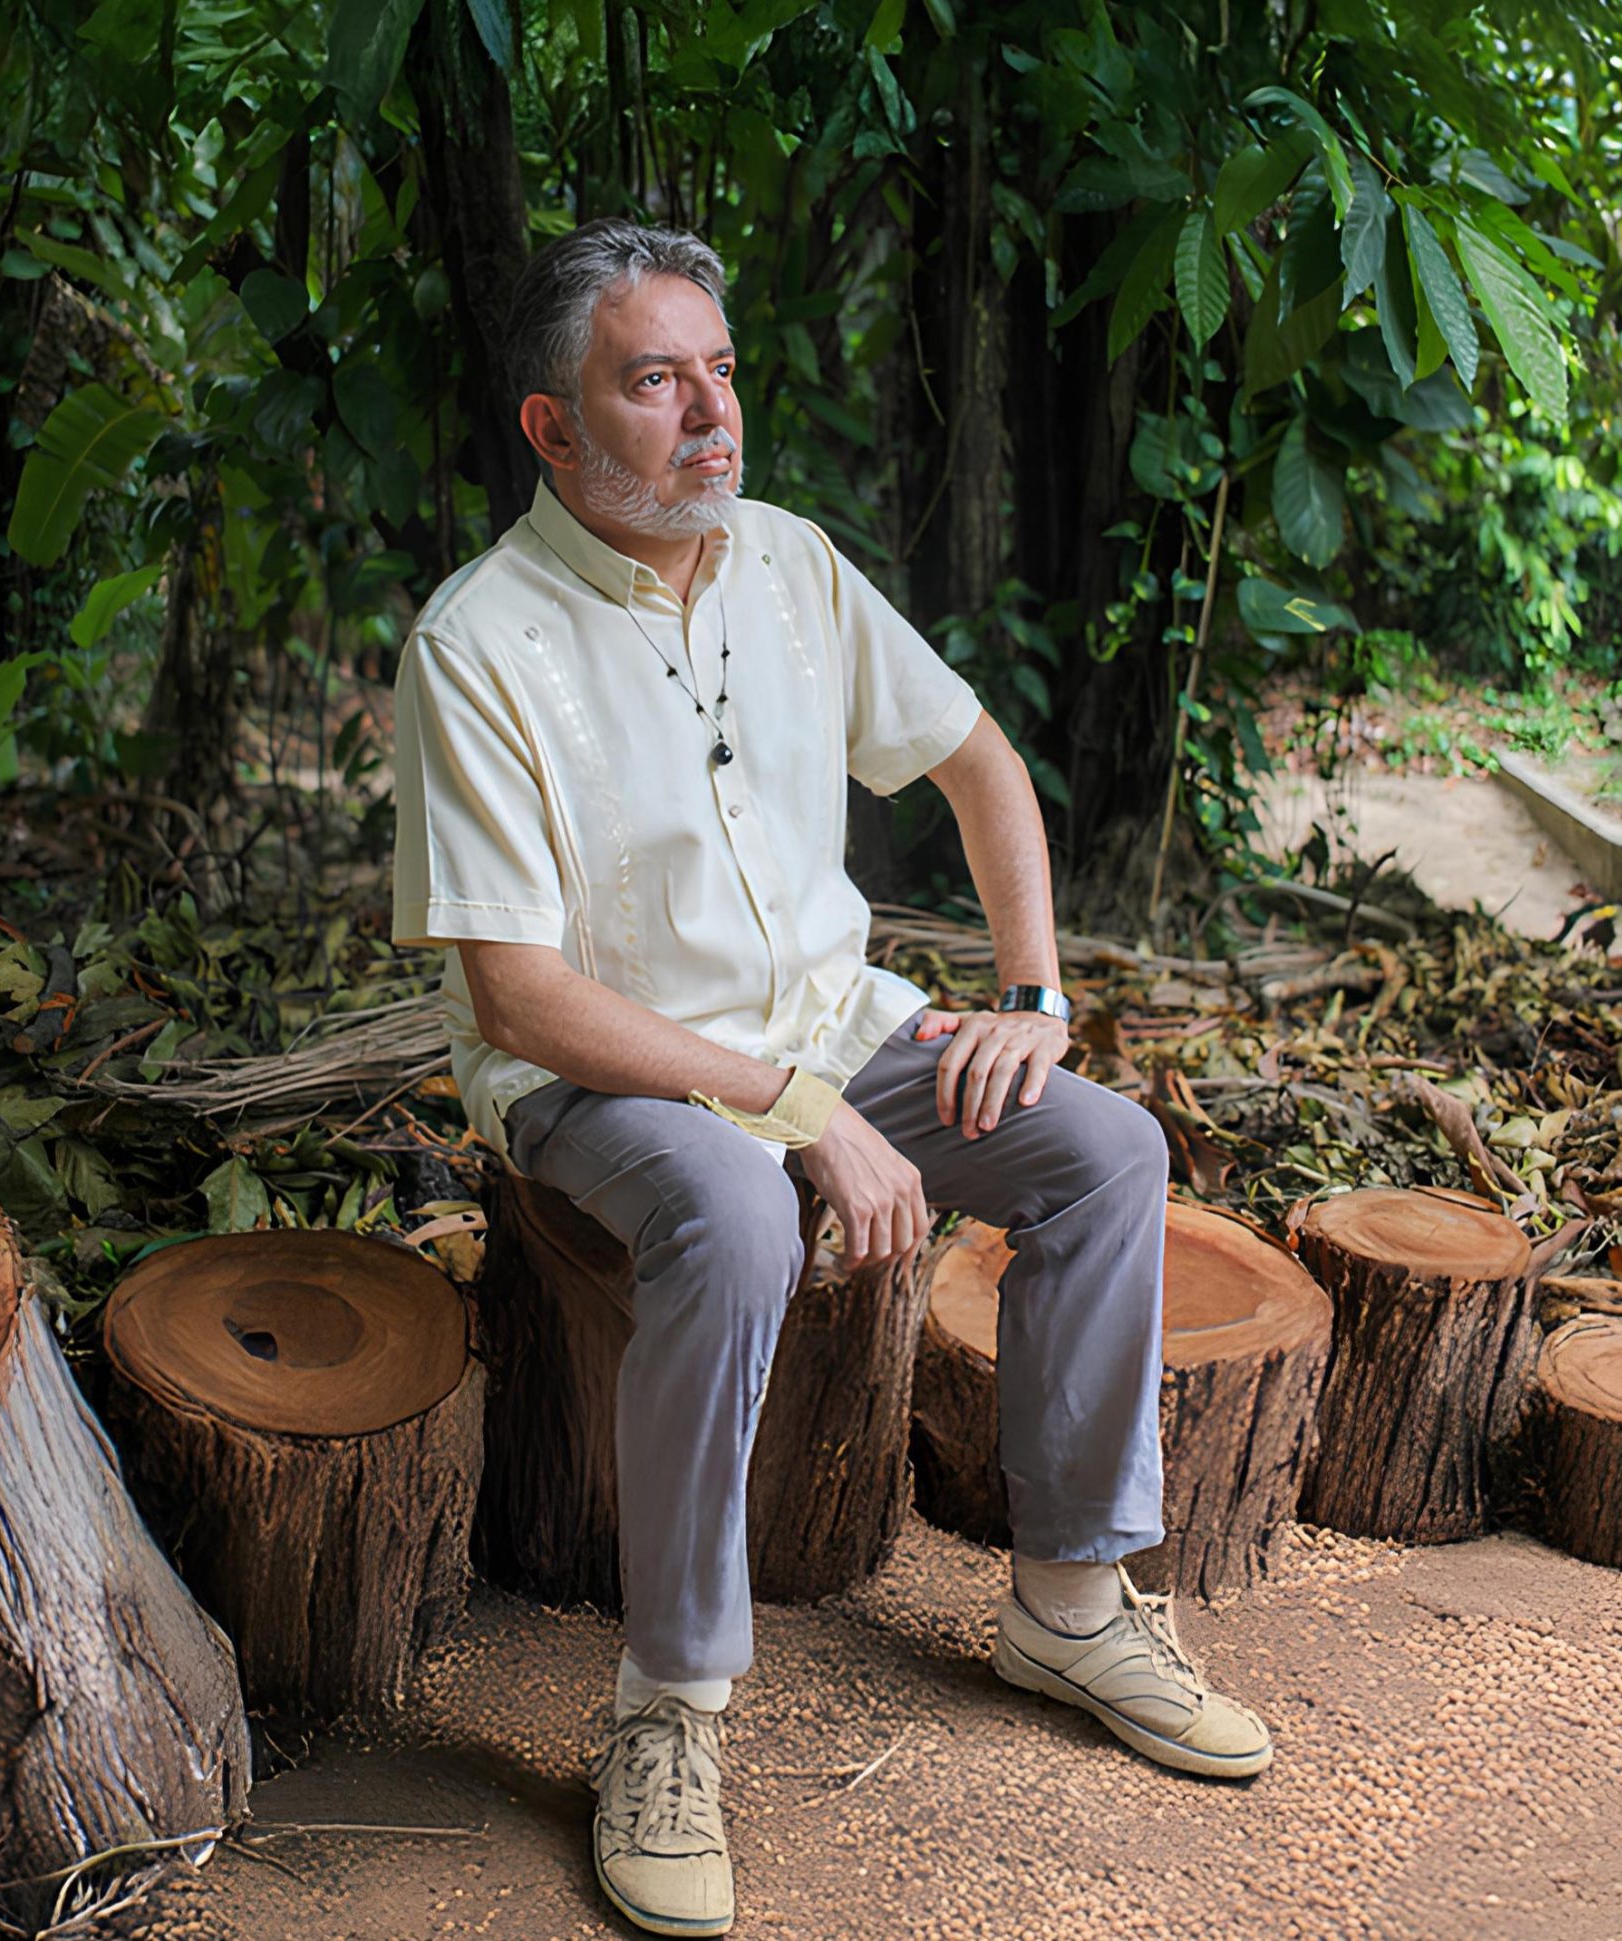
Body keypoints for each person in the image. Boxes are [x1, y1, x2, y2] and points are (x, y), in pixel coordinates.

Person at [390, 218, 1272, 1940]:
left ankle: (1073, 1606)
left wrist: (1032, 992)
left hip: (837, 1023)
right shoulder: (478, 642)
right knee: (728, 1213)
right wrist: (790, 1113)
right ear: (552, 429)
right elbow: (519, 989)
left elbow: (977, 761)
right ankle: (669, 1707)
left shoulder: (790, 566)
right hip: (611, 1071)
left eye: (719, 372)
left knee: (1102, 1150)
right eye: (655, 381)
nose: (711, 413)